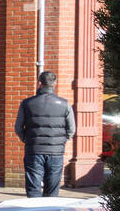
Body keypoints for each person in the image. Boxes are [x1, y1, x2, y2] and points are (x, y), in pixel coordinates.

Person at [14, 70, 76, 198]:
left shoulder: (27, 103)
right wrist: (61, 141)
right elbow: (71, 130)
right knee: (52, 189)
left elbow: (18, 128)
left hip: (34, 150)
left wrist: (28, 139)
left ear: (39, 83)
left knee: (33, 188)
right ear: (55, 84)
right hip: (56, 151)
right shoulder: (64, 104)